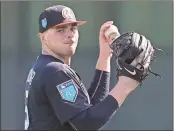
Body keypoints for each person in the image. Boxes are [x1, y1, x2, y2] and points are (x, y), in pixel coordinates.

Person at [25, 5, 153, 130]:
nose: (69, 34)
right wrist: (124, 86)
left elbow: (87, 108)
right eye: (60, 30)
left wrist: (104, 55)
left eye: (73, 29)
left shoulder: (43, 66)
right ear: (43, 38)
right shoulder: (55, 71)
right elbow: (85, 124)